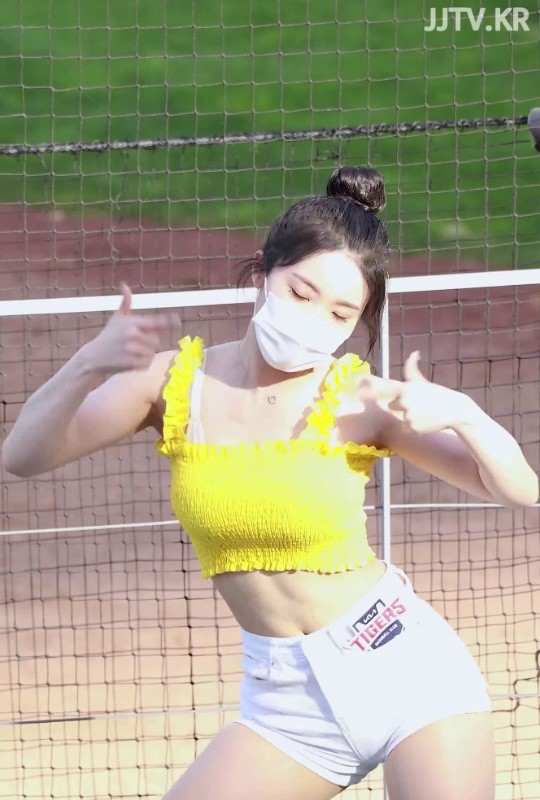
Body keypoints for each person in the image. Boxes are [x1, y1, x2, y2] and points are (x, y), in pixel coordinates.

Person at [3, 166, 537, 800]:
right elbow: (24, 456)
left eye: (340, 313)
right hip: (284, 704)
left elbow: (519, 489)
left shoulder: (362, 399)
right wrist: (90, 363)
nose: (314, 320)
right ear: (262, 272)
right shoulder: (171, 383)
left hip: (406, 672)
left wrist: (464, 414)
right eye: (301, 293)